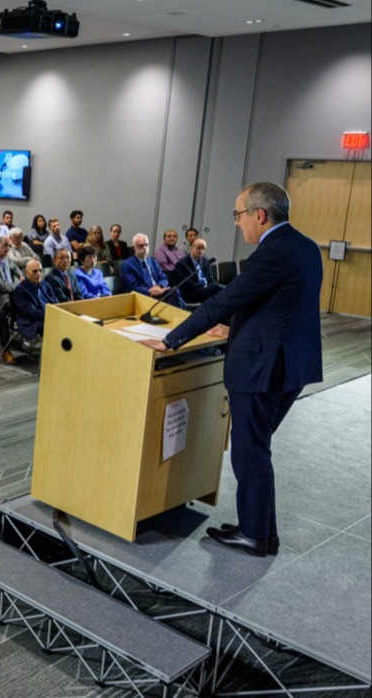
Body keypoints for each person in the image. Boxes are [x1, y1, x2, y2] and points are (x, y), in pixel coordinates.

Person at [141, 182, 322, 557]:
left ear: (260, 215)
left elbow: (226, 300)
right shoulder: (305, 247)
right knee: (257, 447)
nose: (237, 224)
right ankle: (263, 533)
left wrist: (172, 339)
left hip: (262, 366)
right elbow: (276, 306)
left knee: (249, 450)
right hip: (292, 364)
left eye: (238, 215)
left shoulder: (270, 254)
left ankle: (253, 534)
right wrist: (235, 327)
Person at [122, 233, 183, 307]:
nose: (144, 247)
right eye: (141, 245)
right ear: (134, 248)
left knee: (174, 291)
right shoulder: (128, 264)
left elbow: (163, 278)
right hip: (143, 295)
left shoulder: (153, 261)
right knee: (174, 297)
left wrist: (159, 286)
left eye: (146, 245)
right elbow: (133, 286)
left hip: (159, 291)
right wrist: (151, 290)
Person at [11, 260, 55, 351]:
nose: (38, 273)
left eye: (40, 270)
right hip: (31, 321)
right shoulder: (21, 290)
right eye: (34, 271)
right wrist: (51, 315)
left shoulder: (46, 285)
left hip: (48, 315)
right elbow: (30, 313)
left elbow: (55, 303)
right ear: (26, 273)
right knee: (54, 325)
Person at [175, 237, 224, 304]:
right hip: (192, 292)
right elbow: (187, 284)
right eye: (199, 248)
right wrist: (205, 287)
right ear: (191, 248)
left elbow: (210, 279)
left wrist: (212, 285)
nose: (201, 251)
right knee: (219, 289)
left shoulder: (205, 261)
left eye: (203, 249)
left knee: (222, 290)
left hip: (206, 290)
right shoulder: (182, 264)